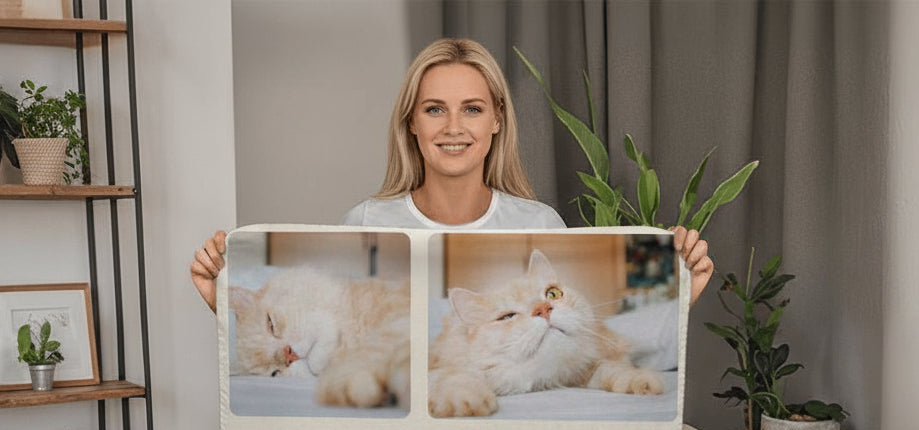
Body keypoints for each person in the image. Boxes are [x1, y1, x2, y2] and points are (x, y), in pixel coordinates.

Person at [189, 37, 713, 312]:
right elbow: (329, 338)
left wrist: (679, 293)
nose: (454, 127)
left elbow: (580, 332)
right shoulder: (367, 222)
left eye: (473, 109)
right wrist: (223, 302)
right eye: (435, 109)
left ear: (497, 121)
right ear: (411, 123)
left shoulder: (541, 225)